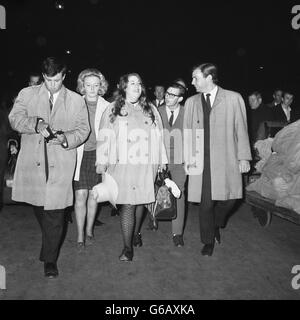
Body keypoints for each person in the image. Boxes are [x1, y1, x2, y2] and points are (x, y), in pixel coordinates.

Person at [9, 57, 90, 278]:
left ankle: (50, 260)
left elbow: (84, 130)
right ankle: (50, 247)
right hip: (33, 165)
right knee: (41, 209)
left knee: (55, 214)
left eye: (56, 80)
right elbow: (14, 119)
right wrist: (35, 124)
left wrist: (65, 139)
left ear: (64, 76)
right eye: (47, 79)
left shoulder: (76, 100)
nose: (51, 84)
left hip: (60, 164)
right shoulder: (27, 94)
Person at [96, 73, 167, 261]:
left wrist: (162, 161)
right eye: (132, 83)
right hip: (122, 165)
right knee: (127, 204)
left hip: (145, 164)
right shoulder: (113, 108)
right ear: (124, 87)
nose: (136, 86)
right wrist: (101, 162)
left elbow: (159, 137)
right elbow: (104, 136)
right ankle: (127, 248)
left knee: (141, 201)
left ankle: (136, 233)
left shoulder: (150, 108)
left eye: (139, 83)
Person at [184, 63, 251, 256]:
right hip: (201, 162)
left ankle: (216, 223)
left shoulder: (233, 98)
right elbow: (188, 134)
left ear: (209, 77)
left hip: (226, 158)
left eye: (195, 78)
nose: (192, 82)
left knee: (231, 198)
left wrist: (244, 157)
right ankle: (208, 241)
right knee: (205, 204)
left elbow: (241, 129)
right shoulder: (191, 102)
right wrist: (188, 159)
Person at [74, 68, 109, 249]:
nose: (92, 89)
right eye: (88, 85)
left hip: (98, 154)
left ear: (101, 86)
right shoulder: (74, 103)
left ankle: (89, 230)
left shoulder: (107, 106)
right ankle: (80, 235)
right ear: (83, 86)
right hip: (79, 154)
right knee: (80, 194)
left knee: (93, 195)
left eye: (96, 85)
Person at [158, 82, 187, 246]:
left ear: (180, 98)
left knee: (179, 194)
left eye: (172, 95)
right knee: (155, 191)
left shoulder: (187, 113)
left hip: (179, 161)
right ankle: (153, 217)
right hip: (159, 159)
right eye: (167, 93)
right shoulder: (157, 111)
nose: (167, 97)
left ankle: (177, 233)